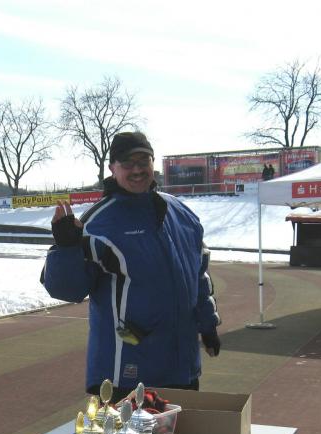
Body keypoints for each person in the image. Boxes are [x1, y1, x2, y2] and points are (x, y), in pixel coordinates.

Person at [40, 131, 221, 400]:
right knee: (127, 431)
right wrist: (66, 248)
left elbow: (199, 275)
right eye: (127, 163)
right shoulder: (98, 223)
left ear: (153, 163)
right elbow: (68, 290)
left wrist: (207, 325)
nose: (137, 170)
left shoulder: (182, 214)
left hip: (183, 369)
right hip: (126, 372)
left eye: (143, 161)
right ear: (112, 168)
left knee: (182, 428)